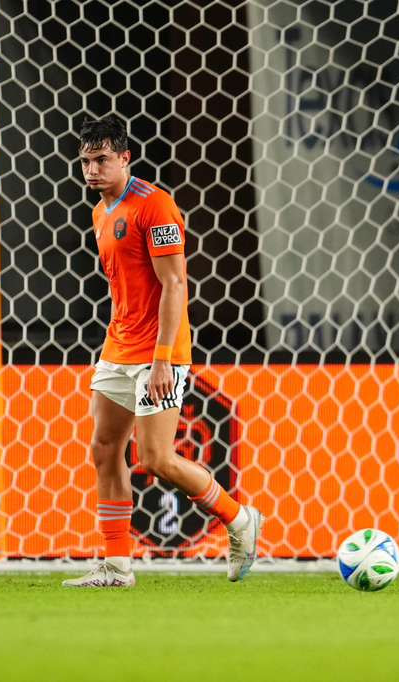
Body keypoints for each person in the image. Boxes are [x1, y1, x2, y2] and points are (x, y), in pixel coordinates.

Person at [62, 115, 263, 588]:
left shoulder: (156, 206)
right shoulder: (100, 212)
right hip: (118, 346)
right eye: (85, 162)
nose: (92, 170)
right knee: (104, 449)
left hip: (159, 354)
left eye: (101, 160)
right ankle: (117, 566)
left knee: (156, 458)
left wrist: (162, 360)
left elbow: (175, 285)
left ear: (125, 157)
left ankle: (239, 519)